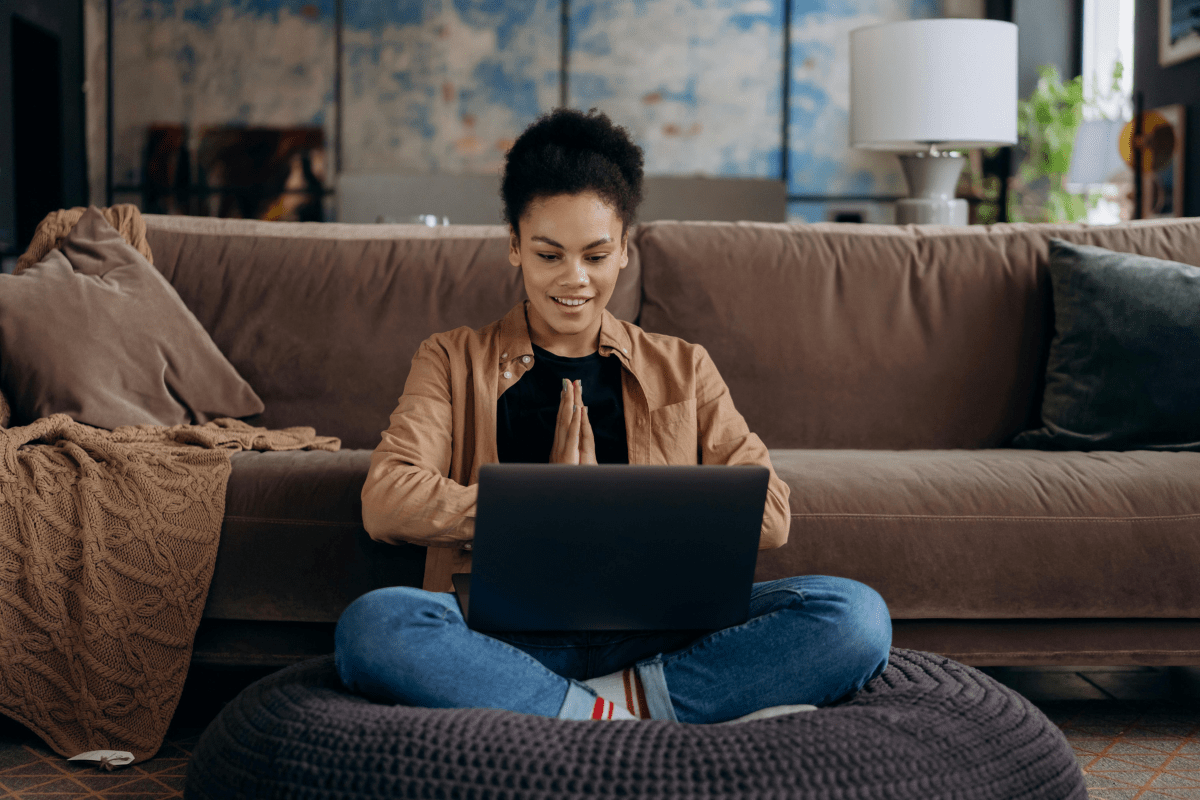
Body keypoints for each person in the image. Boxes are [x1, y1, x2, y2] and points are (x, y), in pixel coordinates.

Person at [335, 107, 892, 724]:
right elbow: (385, 499)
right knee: (374, 626)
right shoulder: (449, 358)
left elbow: (772, 515)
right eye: (549, 255)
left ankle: (578, 712)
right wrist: (540, 507)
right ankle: (632, 712)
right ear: (514, 247)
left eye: (596, 256)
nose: (574, 280)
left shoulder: (684, 367)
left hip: (656, 637)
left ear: (625, 250)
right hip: (501, 638)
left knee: (856, 617)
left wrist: (611, 508)